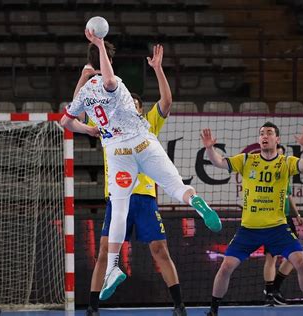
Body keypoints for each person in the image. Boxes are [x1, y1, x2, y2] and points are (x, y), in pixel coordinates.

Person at [60, 30, 222, 301]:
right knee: (175, 186)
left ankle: (113, 268)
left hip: (118, 153)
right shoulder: (116, 83)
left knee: (118, 210)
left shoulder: (85, 96)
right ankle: (195, 201)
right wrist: (100, 42)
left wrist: (88, 130)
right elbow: (109, 79)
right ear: (108, 59)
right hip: (143, 142)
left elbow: (65, 121)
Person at [83, 45, 186, 316]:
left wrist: (158, 69)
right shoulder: (107, 128)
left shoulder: (147, 125)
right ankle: (92, 308)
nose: (134, 108)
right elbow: (83, 115)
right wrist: (86, 76)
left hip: (144, 199)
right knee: (104, 251)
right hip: (118, 199)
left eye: (138, 106)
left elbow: (166, 102)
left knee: (159, 249)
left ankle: (178, 305)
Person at [201, 122, 303, 316]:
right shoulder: (247, 159)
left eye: (269, 133)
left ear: (277, 139)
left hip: (278, 228)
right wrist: (209, 149)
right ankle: (213, 310)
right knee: (226, 267)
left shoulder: (285, 162)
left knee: (300, 262)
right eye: (261, 133)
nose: (264, 136)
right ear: (259, 139)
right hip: (249, 229)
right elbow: (220, 162)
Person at [263, 144, 303, 306]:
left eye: (280, 155)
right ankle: (268, 295)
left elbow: (288, 197)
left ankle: (275, 289)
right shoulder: (265, 175)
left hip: (286, 219)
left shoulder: (285, 174)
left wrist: (297, 214)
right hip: (270, 219)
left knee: (295, 256)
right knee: (271, 257)